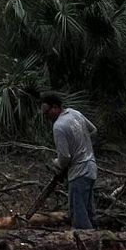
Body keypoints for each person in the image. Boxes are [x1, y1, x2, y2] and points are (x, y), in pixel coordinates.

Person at [40, 92, 99, 229]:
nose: (46, 116)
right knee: (89, 211)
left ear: (55, 107)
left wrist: (56, 163)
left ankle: (87, 243)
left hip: (78, 173)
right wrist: (82, 145)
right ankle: (98, 241)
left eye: (46, 112)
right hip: (91, 168)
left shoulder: (58, 126)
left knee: (79, 216)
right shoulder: (75, 113)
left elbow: (65, 157)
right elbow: (93, 130)